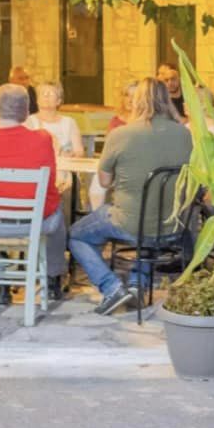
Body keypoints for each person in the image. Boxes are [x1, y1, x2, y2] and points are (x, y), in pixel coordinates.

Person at [69, 77, 193, 315]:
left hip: (130, 223)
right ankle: (137, 284)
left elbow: (104, 182)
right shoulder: (184, 134)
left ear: (137, 101)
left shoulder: (121, 134)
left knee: (76, 235)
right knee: (146, 220)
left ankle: (111, 286)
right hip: (173, 225)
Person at [0, 83, 68, 302]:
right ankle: (52, 277)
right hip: (33, 224)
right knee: (58, 211)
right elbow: (50, 190)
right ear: (26, 112)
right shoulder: (43, 139)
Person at [25, 82, 84, 157]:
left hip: (64, 163)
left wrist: (71, 155)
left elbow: (79, 152)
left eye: (51, 94)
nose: (46, 96)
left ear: (58, 101)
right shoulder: (29, 121)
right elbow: (26, 150)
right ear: (37, 100)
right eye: (43, 93)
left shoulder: (69, 122)